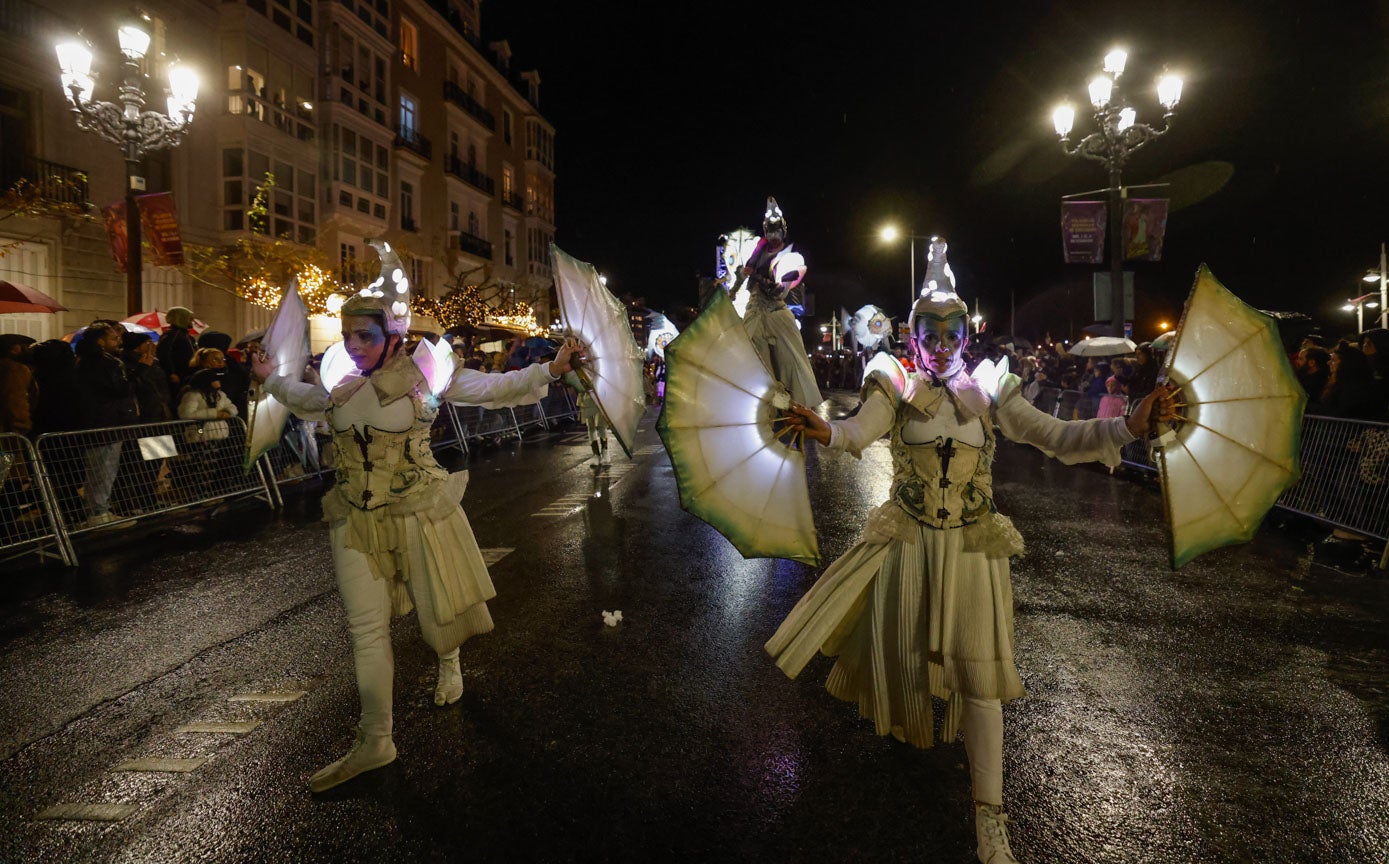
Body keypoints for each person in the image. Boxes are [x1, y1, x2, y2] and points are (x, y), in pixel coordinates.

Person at [767, 238, 1172, 864]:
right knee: (911, 655)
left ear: (968, 331)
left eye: (953, 328)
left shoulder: (991, 387)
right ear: (912, 333)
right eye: (930, 329)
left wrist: (1127, 425)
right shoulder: (893, 381)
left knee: (980, 677)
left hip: (974, 552)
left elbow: (1058, 437)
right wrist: (827, 429)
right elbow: (856, 431)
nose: (943, 340)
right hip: (907, 545)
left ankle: (991, 817)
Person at [252, 245, 582, 792]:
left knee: (436, 610)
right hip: (354, 517)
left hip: (418, 509)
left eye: (367, 335)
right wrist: (269, 378)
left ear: (394, 335)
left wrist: (549, 368)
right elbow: (302, 399)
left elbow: (495, 388)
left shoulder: (428, 374)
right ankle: (376, 740)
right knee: (365, 630)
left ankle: (448, 661)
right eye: (348, 334)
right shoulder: (337, 378)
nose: (354, 346)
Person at [738, 197, 823, 408]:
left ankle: (796, 403)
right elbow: (741, 277)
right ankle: (757, 404)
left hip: (775, 311)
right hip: (754, 311)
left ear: (783, 231)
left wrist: (765, 281)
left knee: (791, 359)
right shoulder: (755, 253)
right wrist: (740, 278)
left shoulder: (790, 257)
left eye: (777, 231)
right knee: (750, 357)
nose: (773, 236)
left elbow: (781, 293)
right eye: (770, 231)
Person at [74, 320, 139, 528]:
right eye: (113, 338)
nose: (119, 341)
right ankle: (98, 513)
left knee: (101, 469)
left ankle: (99, 510)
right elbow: (119, 389)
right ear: (100, 341)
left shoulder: (90, 361)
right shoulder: (102, 363)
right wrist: (139, 371)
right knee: (103, 469)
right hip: (105, 422)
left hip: (101, 420)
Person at [156, 305, 198, 401]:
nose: (192, 321)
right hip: (178, 377)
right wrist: (171, 373)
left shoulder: (186, 336)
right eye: (189, 318)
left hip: (187, 376)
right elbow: (164, 355)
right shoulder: (172, 335)